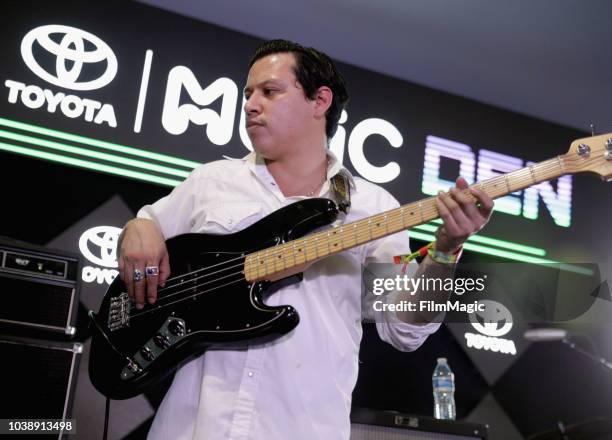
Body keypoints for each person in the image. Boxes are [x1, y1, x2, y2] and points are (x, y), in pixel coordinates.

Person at [117, 39, 493, 440]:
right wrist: (136, 229)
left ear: (320, 101)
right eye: (248, 93)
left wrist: (446, 249)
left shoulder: (375, 207)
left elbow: (404, 328)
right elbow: (145, 234)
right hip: (190, 428)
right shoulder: (210, 182)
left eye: (270, 91)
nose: (250, 104)